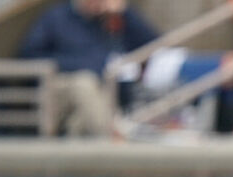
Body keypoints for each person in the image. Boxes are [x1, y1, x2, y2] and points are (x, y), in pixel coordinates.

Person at [18, 0, 158, 136]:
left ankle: (81, 144)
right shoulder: (56, 17)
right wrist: (86, 65)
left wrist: (125, 12)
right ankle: (113, 139)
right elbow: (30, 55)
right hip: (62, 83)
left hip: (105, 89)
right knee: (85, 82)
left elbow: (154, 46)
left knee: (80, 121)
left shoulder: (110, 19)